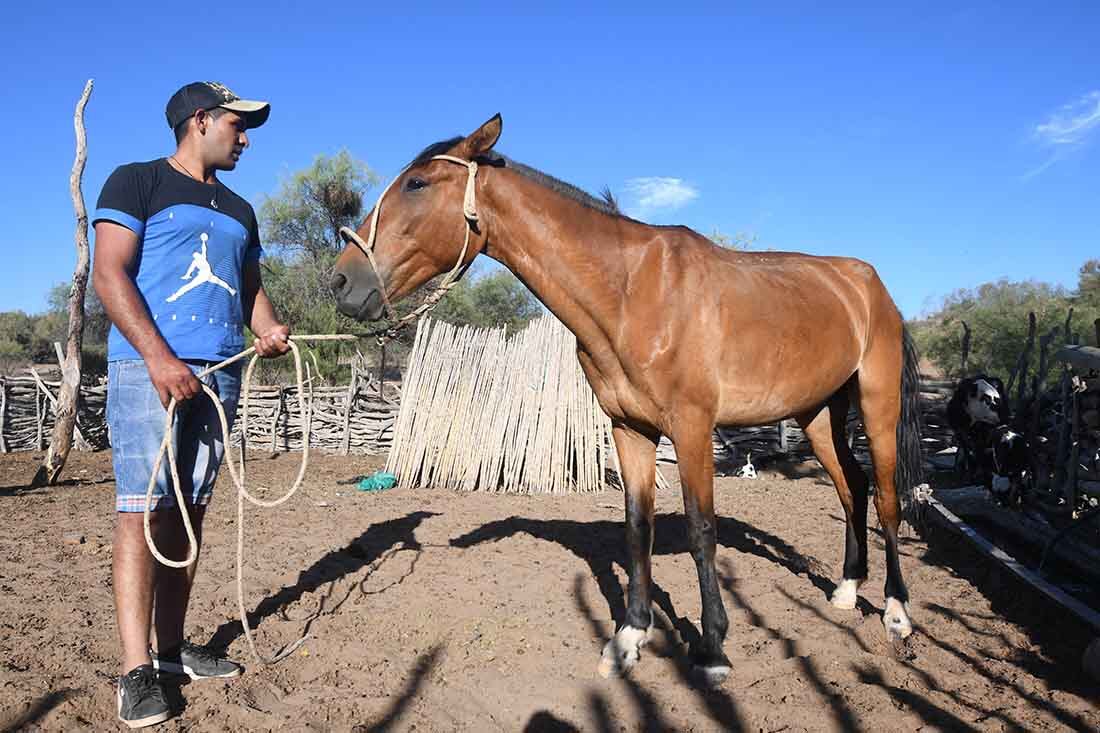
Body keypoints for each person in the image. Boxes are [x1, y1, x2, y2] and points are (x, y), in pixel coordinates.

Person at [92, 81, 290, 728]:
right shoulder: (137, 181)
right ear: (199, 120)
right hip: (149, 373)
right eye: (238, 124)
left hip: (219, 373)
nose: (246, 136)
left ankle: (173, 650)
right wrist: (157, 356)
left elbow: (248, 290)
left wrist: (268, 327)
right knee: (141, 512)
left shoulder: (239, 208)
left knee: (190, 512)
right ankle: (135, 668)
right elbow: (109, 273)